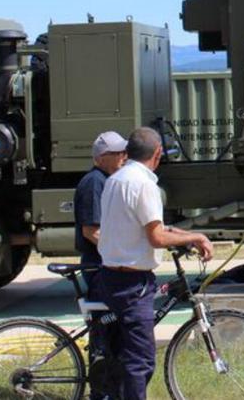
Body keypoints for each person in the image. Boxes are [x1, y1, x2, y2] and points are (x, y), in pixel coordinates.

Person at [97, 127, 214, 400]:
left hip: (110, 277)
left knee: (120, 359)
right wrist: (196, 235)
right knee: (140, 361)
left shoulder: (115, 180)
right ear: (158, 153)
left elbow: (148, 227)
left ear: (128, 151)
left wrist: (187, 237)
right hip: (132, 284)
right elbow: (156, 236)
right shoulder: (144, 184)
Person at [74, 130, 126, 400]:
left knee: (111, 327)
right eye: (118, 153)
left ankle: (109, 388)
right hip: (98, 267)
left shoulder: (107, 180)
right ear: (102, 157)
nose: (123, 157)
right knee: (104, 330)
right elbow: (91, 231)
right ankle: (101, 391)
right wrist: (119, 254)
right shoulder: (94, 182)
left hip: (106, 264)